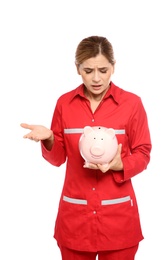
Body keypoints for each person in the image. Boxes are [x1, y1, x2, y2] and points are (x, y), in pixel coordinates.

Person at [20, 35, 152, 260]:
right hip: (75, 220)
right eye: (88, 71)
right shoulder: (64, 103)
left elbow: (143, 152)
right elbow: (58, 159)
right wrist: (50, 138)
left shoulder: (132, 104)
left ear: (113, 67)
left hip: (118, 220)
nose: (96, 78)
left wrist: (121, 164)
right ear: (77, 68)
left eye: (103, 70)